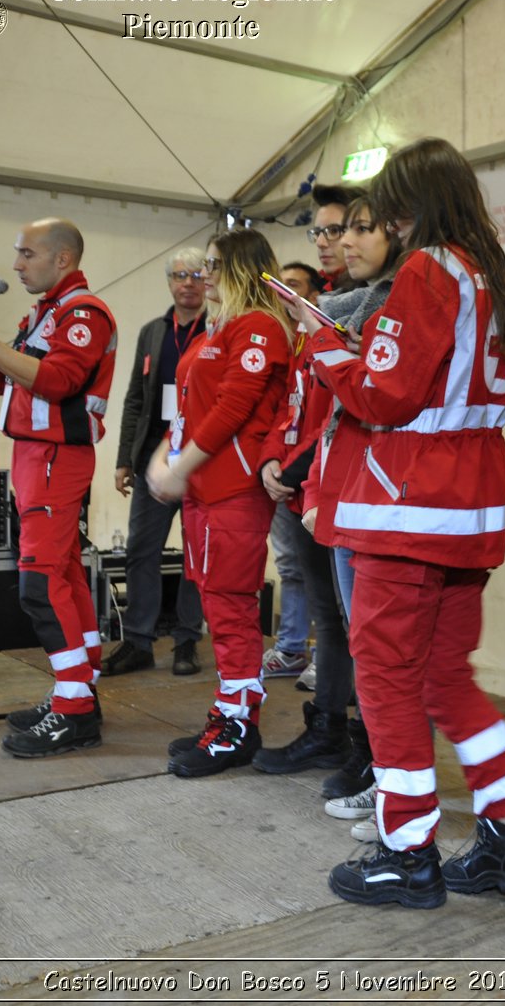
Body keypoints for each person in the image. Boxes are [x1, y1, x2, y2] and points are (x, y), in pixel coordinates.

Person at [284, 137, 505, 909]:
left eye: (395, 205)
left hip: (407, 502)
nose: (387, 221)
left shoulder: (432, 268)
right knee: (443, 675)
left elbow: (383, 395)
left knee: (389, 676)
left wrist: (326, 345)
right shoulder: (495, 275)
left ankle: (406, 848)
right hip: (469, 502)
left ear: (417, 205)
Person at [0, 218, 116, 757]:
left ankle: (74, 709)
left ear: (62, 259)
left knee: (39, 584)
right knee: (62, 573)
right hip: (34, 455)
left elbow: (60, 381)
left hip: (56, 458)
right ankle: (77, 689)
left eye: (27, 254)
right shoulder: (44, 313)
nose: (16, 264)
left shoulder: (84, 313)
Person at [252, 197, 397, 786]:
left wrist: (298, 469)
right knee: (332, 618)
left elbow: (347, 406)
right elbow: (291, 400)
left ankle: (376, 753)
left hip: (341, 482)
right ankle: (334, 730)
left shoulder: (361, 310)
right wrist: (273, 458)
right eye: (325, 230)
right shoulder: (318, 314)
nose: (330, 240)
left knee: (367, 628)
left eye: (350, 229)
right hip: (309, 479)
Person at [148, 229, 293, 778]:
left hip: (231, 489)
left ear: (241, 269)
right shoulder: (221, 326)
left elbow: (234, 409)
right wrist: (169, 457)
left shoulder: (258, 326)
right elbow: (190, 409)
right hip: (206, 491)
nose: (202, 274)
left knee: (231, 609)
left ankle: (238, 725)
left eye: (213, 265)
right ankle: (229, 714)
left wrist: (178, 468)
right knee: (218, 605)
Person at [107, 249, 208, 677]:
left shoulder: (219, 329)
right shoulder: (152, 332)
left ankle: (187, 641)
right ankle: (138, 642)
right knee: (140, 550)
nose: (188, 282)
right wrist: (124, 459)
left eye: (197, 275)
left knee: (193, 554)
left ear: (208, 282)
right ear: (169, 282)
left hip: (201, 457)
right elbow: (134, 398)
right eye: (180, 275)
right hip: (154, 456)